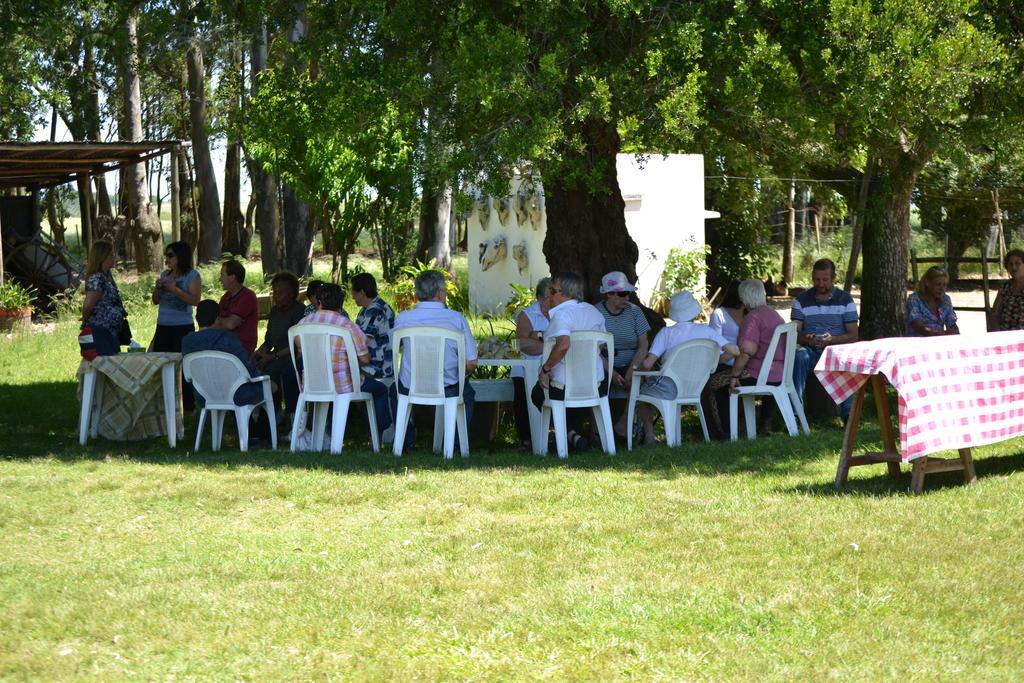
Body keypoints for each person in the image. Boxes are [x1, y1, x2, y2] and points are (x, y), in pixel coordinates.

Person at [628, 291, 739, 445]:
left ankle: (649, 435)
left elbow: (647, 364)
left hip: (670, 387)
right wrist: (712, 362)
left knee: (642, 393)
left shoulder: (667, 333)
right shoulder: (706, 331)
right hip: (697, 386)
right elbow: (734, 351)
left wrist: (635, 369)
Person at [391, 270, 478, 451]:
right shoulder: (456, 319)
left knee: (394, 390)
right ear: (440, 293)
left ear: (417, 294)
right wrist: (463, 373)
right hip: (448, 387)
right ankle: (454, 445)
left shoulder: (403, 318)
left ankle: (406, 443)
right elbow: (471, 362)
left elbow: (393, 347)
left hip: (410, 385)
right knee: (467, 394)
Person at [296, 283, 392, 439]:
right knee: (380, 390)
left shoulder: (303, 324)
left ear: (318, 303)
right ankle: (380, 431)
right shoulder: (348, 325)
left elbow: (301, 350)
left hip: (311, 384)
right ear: (341, 305)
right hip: (343, 386)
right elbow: (365, 358)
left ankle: (329, 434)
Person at [531, 271, 608, 452]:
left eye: (553, 290)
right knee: (563, 392)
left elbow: (564, 344)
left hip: (563, 388)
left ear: (568, 294)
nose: (549, 294)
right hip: (594, 385)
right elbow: (602, 346)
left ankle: (570, 435)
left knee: (537, 394)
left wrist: (545, 368)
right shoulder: (594, 312)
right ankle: (573, 436)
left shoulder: (562, 315)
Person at [708, 279, 787, 436]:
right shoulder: (775, 315)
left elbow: (746, 352)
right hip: (778, 373)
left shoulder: (753, 317)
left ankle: (724, 432)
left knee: (715, 382)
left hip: (758, 374)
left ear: (743, 298)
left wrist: (735, 375)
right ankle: (750, 426)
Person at [791, 258, 858, 420]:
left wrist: (833, 340)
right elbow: (793, 333)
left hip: (836, 351)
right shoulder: (801, 301)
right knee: (799, 357)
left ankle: (848, 415)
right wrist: (808, 339)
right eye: (817, 280)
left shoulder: (845, 300)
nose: (820, 284)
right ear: (812, 277)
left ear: (834, 277)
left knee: (847, 359)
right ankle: (795, 414)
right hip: (811, 350)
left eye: (825, 280)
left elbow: (853, 335)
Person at [182, 299, 277, 410]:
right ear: (218, 319)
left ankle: (249, 418)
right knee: (271, 386)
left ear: (197, 318)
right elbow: (246, 368)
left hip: (204, 396)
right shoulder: (227, 338)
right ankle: (258, 421)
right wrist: (260, 376)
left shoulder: (187, 341)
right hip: (236, 394)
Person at [150, 240, 201, 410]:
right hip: (163, 326)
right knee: (162, 363)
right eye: (166, 255)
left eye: (170, 255)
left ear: (181, 257)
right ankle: (164, 403)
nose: (167, 259)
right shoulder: (165, 275)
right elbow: (155, 301)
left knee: (183, 365)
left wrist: (175, 290)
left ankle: (188, 405)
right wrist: (157, 289)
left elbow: (195, 301)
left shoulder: (192, 276)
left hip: (182, 327)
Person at [253, 271, 306, 416]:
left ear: (291, 294)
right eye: (274, 292)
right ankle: (268, 413)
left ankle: (293, 413)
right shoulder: (275, 311)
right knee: (254, 367)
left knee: (281, 371)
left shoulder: (300, 311)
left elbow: (297, 345)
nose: (276, 296)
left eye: (280, 292)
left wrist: (272, 357)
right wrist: (259, 352)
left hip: (293, 356)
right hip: (275, 355)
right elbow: (269, 340)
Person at [595, 271, 651, 392]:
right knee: (596, 382)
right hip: (604, 366)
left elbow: (643, 345)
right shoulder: (596, 312)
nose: (627, 297)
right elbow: (594, 350)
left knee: (640, 384)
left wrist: (632, 370)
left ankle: (629, 412)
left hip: (633, 364)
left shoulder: (635, 311)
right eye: (622, 293)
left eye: (628, 293)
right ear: (609, 294)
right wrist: (613, 374)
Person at [512, 277, 552, 449]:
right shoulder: (528, 315)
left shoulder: (563, 313)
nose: (555, 298)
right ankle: (526, 438)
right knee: (522, 389)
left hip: (553, 365)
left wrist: (537, 339)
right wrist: (551, 345)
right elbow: (521, 344)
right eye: (551, 295)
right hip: (527, 365)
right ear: (540, 298)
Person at [81, 239, 126, 357]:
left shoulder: (107, 277)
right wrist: (84, 321)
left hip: (111, 331)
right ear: (102, 257)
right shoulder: (97, 279)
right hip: (100, 331)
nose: (114, 257)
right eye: (111, 255)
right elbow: (88, 305)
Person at [351, 272, 397, 381]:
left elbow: (361, 340)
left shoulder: (375, 310)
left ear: (361, 293)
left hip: (377, 368)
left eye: (353, 292)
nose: (352, 296)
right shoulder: (369, 308)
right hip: (372, 364)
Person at [214, 259, 259, 355]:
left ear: (232, 277)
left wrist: (219, 320)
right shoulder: (225, 297)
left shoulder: (247, 296)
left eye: (222, 275)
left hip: (241, 348)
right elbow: (214, 323)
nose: (219, 279)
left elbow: (231, 324)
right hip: (225, 345)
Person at [906, 266, 959, 336]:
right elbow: (918, 327)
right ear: (927, 283)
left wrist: (953, 331)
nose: (942, 288)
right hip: (918, 342)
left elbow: (952, 323)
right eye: (938, 284)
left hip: (940, 342)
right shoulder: (914, 300)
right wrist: (940, 334)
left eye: (944, 285)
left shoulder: (946, 299)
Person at [708, 280, 744, 364]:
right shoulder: (719, 314)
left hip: (748, 364)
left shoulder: (751, 313)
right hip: (726, 363)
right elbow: (715, 345)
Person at [989, 249, 1024, 331]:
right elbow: (994, 314)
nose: (1014, 268)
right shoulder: (1005, 287)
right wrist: (999, 335)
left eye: (1017, 263)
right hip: (1005, 336)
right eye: (1010, 264)